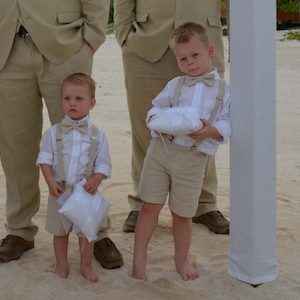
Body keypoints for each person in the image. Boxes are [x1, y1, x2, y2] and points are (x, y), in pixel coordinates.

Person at [0, 0, 123, 268]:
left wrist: (91, 39)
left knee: (80, 145)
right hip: (6, 49)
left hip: (66, 45)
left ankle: (96, 230)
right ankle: (19, 229)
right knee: (14, 147)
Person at [114, 0, 230, 234]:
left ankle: (204, 202)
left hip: (204, 39)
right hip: (145, 45)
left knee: (205, 126)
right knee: (145, 127)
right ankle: (142, 200)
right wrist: (124, 35)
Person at [132, 22, 231, 281]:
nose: (190, 63)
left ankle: (181, 260)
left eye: (195, 55)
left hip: (193, 159)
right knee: (149, 206)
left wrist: (211, 131)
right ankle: (139, 260)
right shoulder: (175, 85)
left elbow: (229, 123)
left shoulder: (224, 90)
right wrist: (160, 124)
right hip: (161, 152)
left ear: (210, 51)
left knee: (182, 214)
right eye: (183, 59)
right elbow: (154, 110)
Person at [37, 73, 112, 282]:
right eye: (67, 98)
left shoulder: (98, 135)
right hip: (59, 190)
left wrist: (96, 180)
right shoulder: (52, 133)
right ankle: (62, 264)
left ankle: (86, 265)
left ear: (92, 103)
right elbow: (44, 159)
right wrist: (50, 182)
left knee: (86, 233)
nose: (72, 103)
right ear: (61, 101)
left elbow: (104, 164)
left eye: (79, 99)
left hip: (85, 191)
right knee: (60, 232)